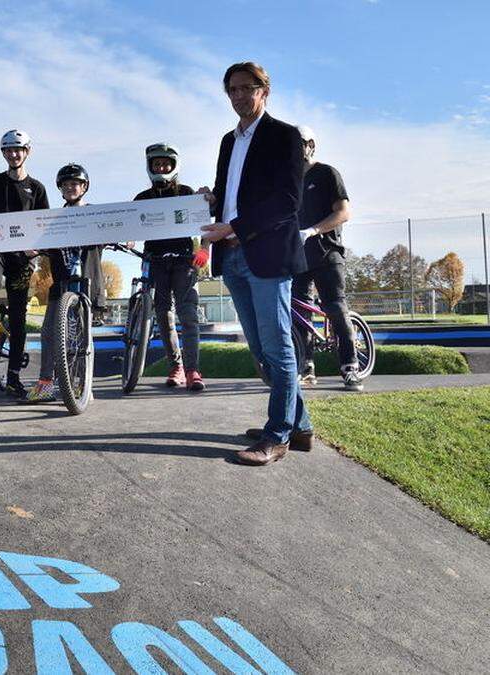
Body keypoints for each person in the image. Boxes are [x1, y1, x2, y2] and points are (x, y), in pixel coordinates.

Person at [199, 61, 312, 467]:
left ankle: (277, 436)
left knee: (278, 347)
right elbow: (233, 193)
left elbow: (287, 202)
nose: (239, 96)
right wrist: (212, 200)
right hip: (231, 255)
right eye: (232, 89)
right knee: (262, 351)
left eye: (247, 88)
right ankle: (301, 426)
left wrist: (235, 226)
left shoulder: (286, 137)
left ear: (265, 91)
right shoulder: (228, 141)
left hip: (266, 255)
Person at [0, 130, 49, 398]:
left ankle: (14, 376)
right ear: (3, 153)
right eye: (8, 150)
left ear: (27, 151)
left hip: (22, 259)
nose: (13, 154)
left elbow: (43, 225)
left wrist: (35, 251)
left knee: (18, 319)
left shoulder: (37, 188)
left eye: (18, 150)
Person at [133, 143, 210, 391]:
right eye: (157, 164)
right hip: (155, 262)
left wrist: (204, 248)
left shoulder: (187, 192)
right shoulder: (141, 199)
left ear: (174, 166)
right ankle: (175, 365)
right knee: (163, 316)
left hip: (184, 261)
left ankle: (192, 370)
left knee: (188, 316)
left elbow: (205, 221)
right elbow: (127, 222)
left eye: (166, 163)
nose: (161, 167)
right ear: (150, 167)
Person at [292, 126, 359, 390]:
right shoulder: (290, 182)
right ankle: (306, 365)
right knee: (298, 312)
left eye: (297, 145)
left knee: (334, 307)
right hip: (298, 257)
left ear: (310, 145)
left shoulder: (327, 173)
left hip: (327, 252)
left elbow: (344, 212)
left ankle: (350, 365)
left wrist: (313, 230)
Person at [27, 163, 97, 403]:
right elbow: (39, 240)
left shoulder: (96, 213)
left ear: (84, 186)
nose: (70, 188)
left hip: (85, 285)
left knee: (80, 338)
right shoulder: (54, 218)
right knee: (48, 334)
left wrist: (126, 237)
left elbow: (118, 227)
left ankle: (82, 386)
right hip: (60, 284)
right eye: (65, 185)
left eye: (75, 184)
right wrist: (32, 248)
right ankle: (45, 384)